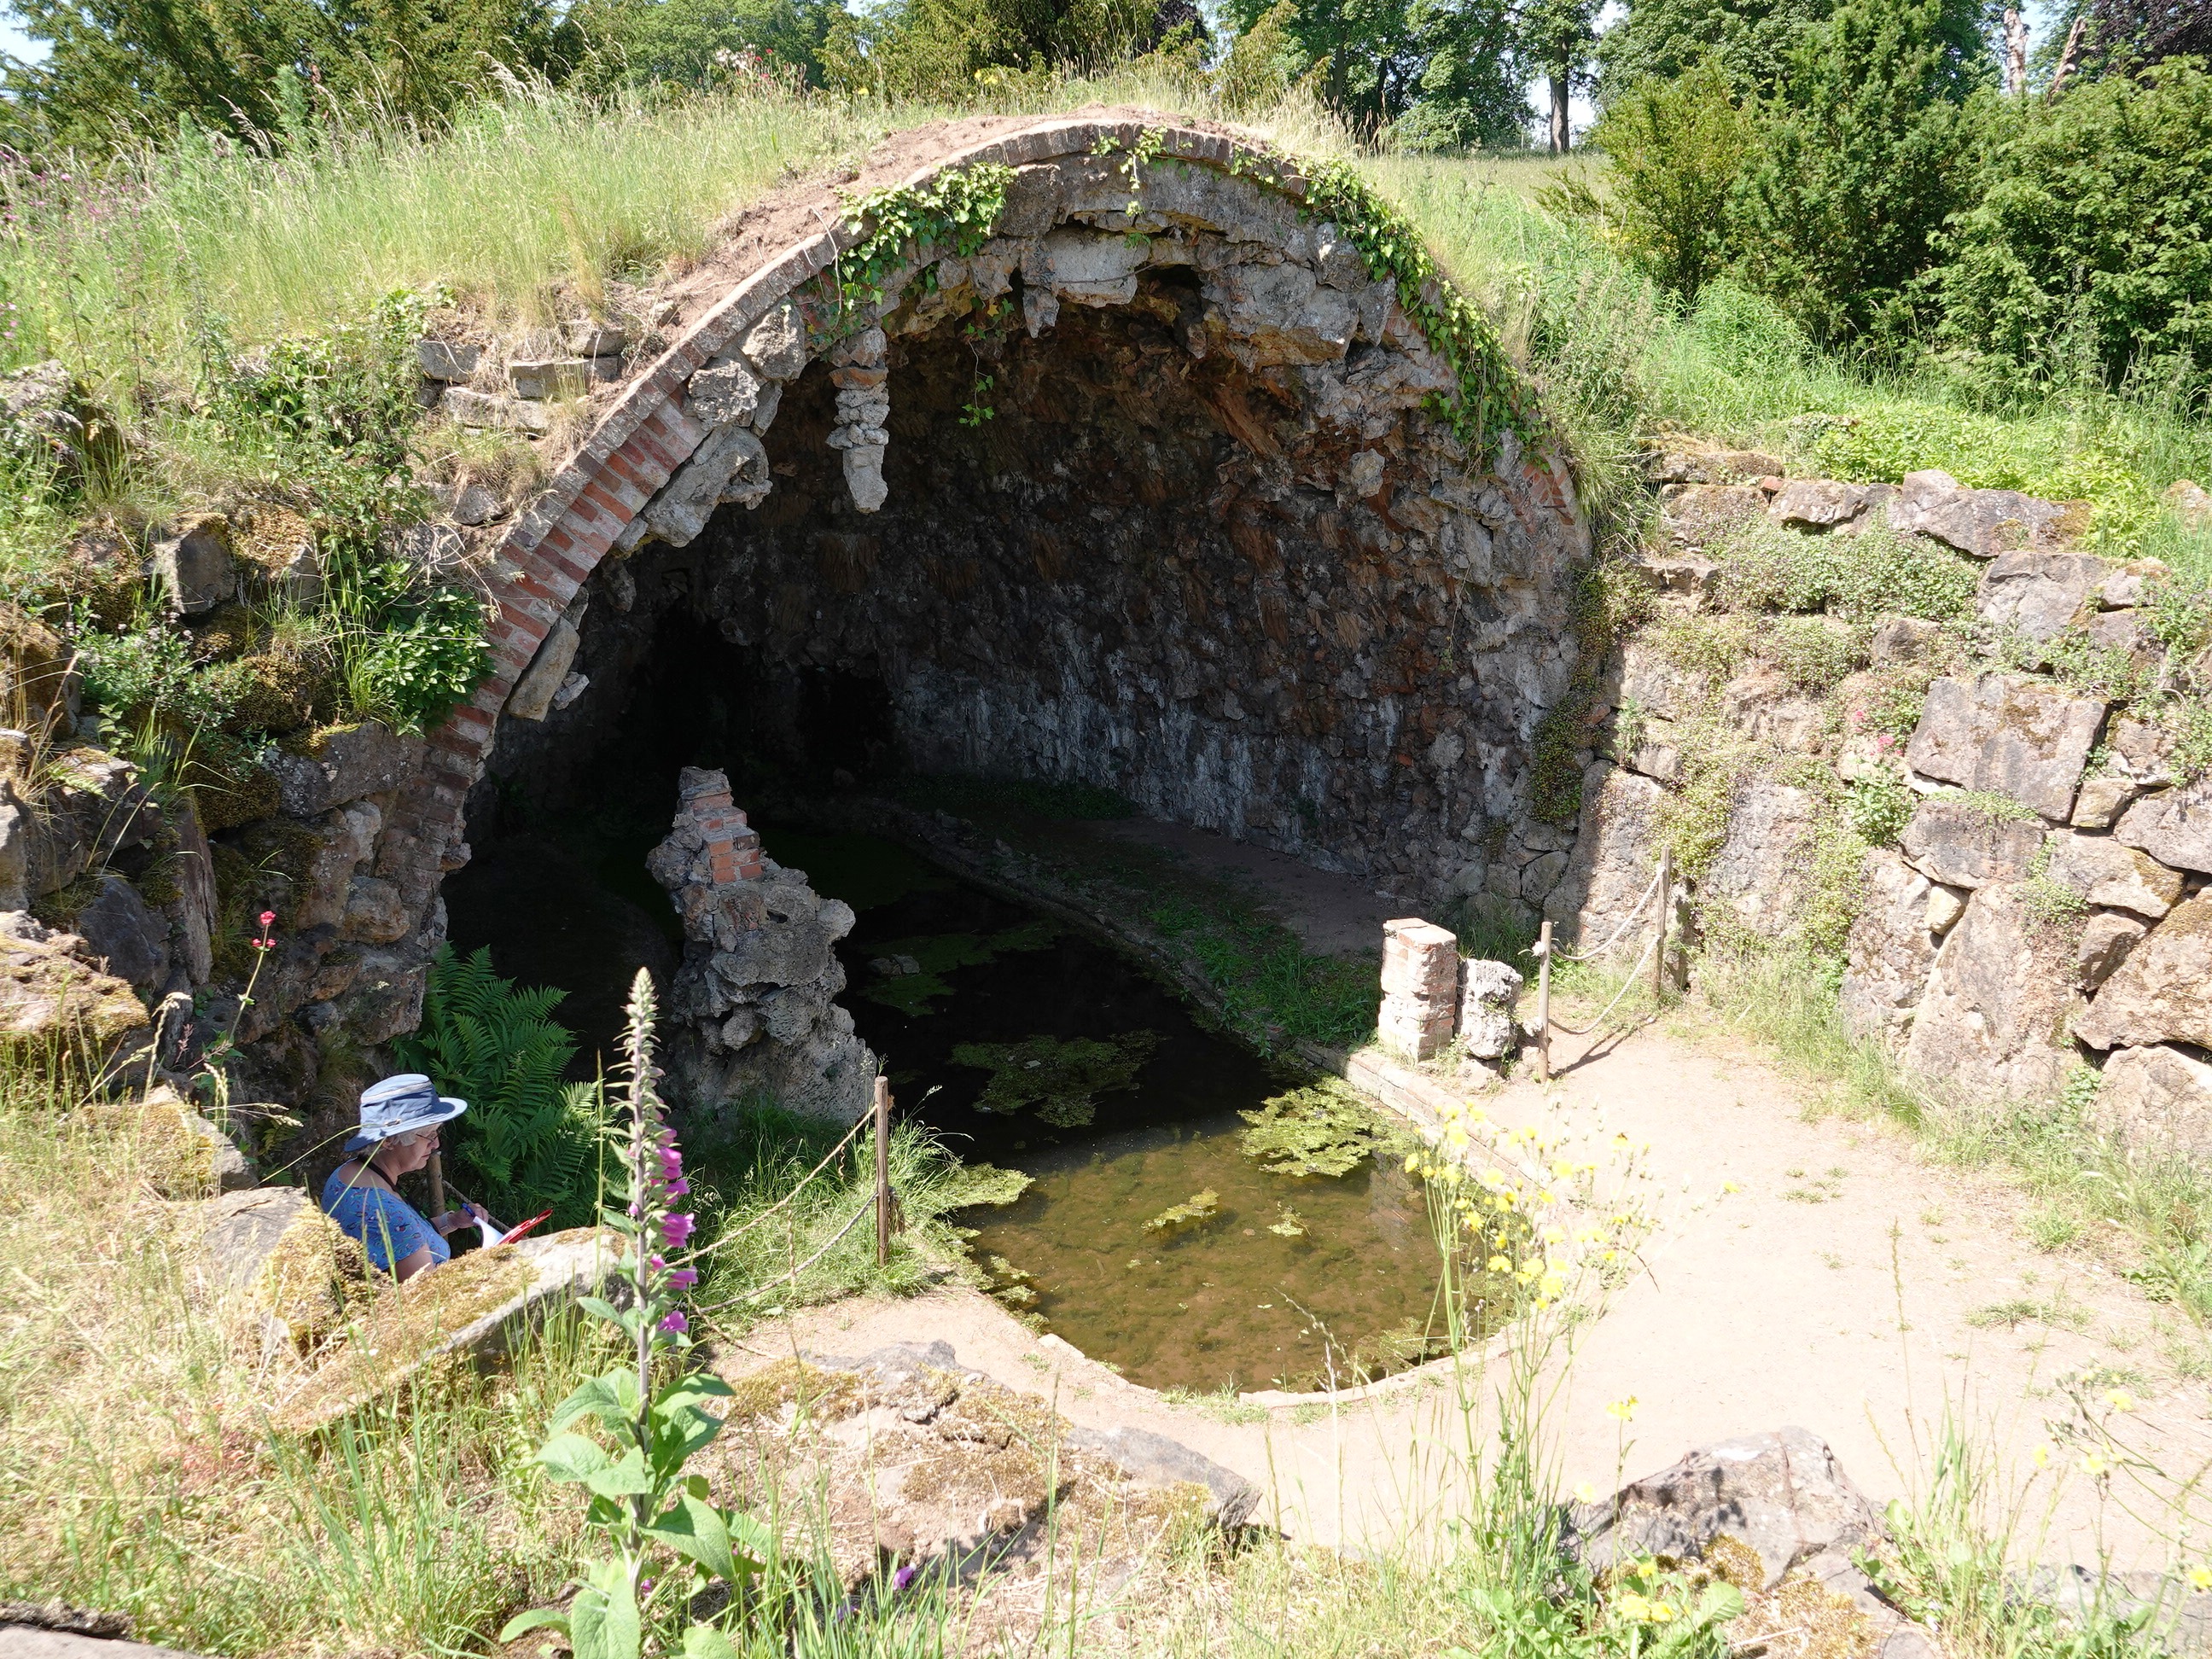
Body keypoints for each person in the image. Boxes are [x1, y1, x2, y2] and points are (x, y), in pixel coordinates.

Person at [321, 1074, 489, 1280]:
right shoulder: (385, 1212)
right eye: (428, 1135)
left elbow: (404, 1240)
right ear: (389, 1141)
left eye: (437, 1132)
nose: (436, 1144)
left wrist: (453, 1221)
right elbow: (425, 1298)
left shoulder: (349, 1174)